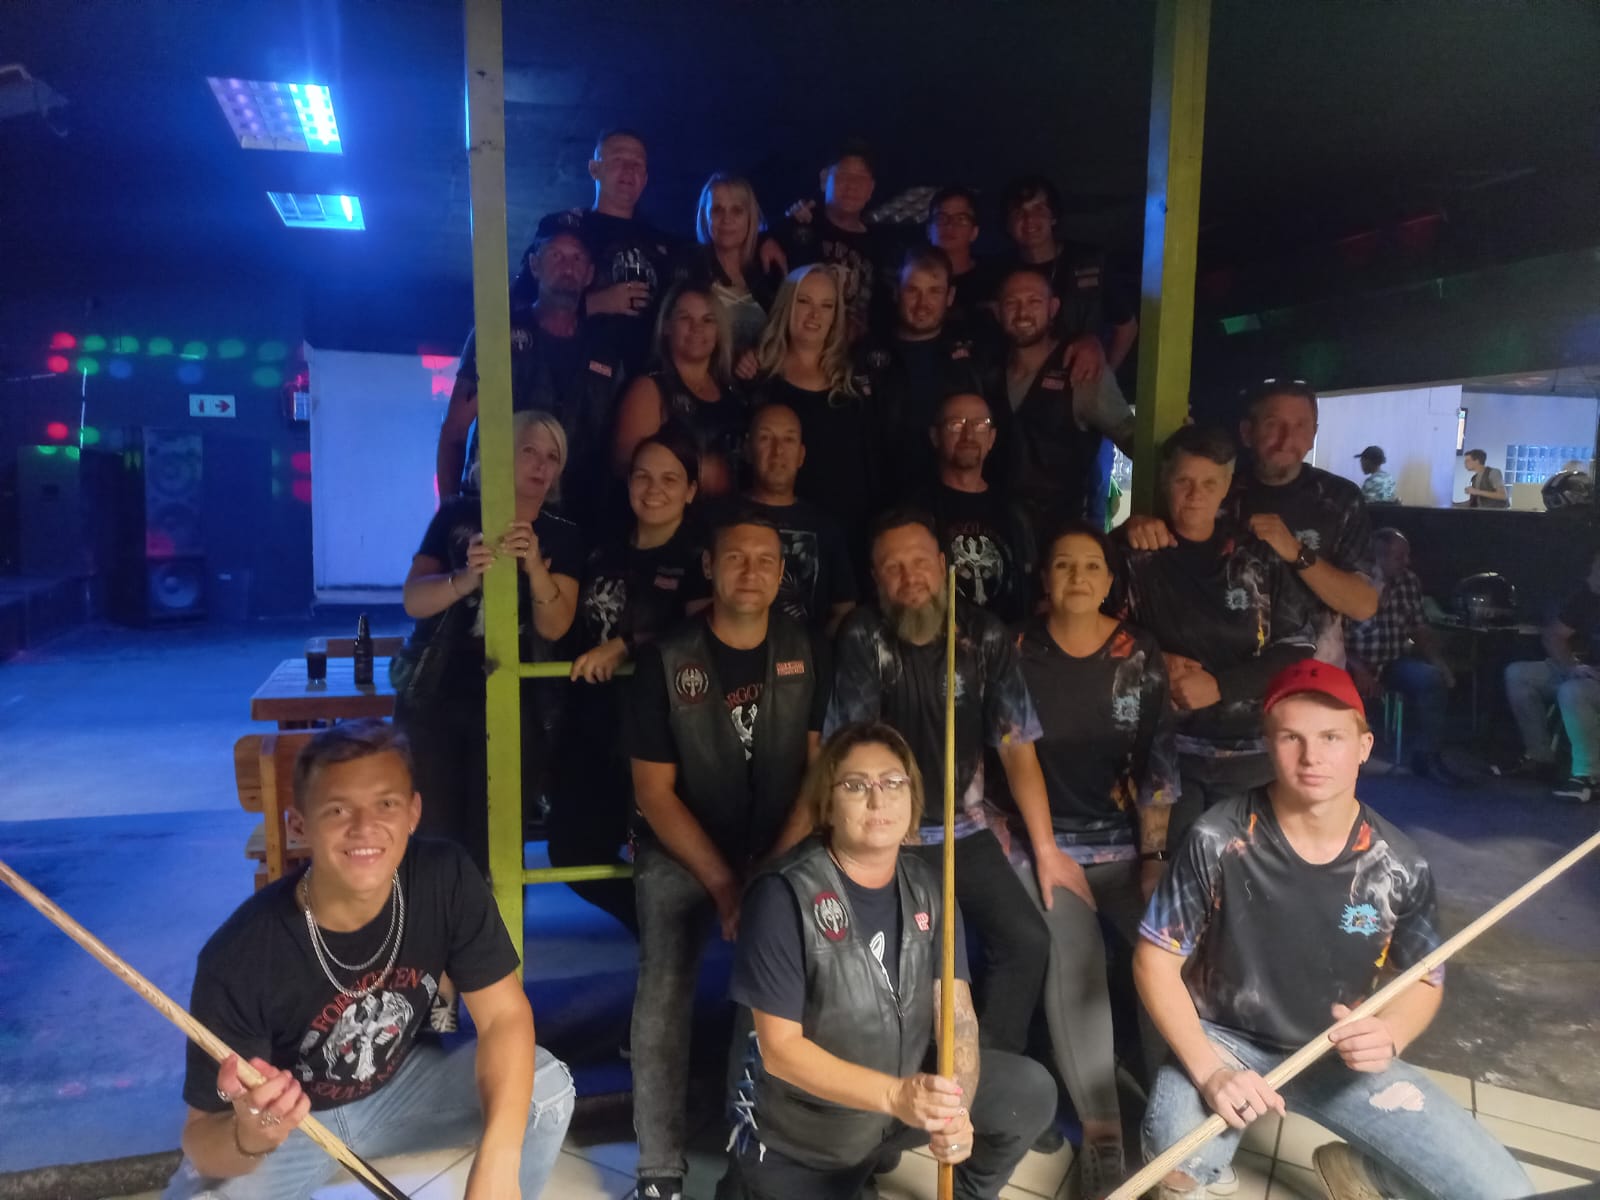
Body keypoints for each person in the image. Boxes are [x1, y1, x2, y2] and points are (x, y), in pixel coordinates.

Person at [1135, 661, 1532, 1200]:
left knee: (1503, 1190)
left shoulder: (1400, 865)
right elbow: (1154, 961)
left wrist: (1391, 1033)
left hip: (1334, 1052)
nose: (1312, 756)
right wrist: (1209, 1073)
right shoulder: (1216, 839)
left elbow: (1424, 977)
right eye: (1291, 738)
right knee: (1179, 1161)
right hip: (1223, 1038)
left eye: (1331, 737)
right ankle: (1207, 1163)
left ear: (1364, 746)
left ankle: (1365, 1176)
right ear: (1269, 744)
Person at [162, 722, 574, 1200]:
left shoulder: (445, 876)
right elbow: (200, 1137)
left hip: (403, 1091)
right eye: (338, 810)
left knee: (545, 1090)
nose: (364, 827)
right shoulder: (239, 954)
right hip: (295, 1124)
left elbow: (504, 1016)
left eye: (386, 804)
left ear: (413, 812)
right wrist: (249, 1136)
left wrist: (499, 1165)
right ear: (299, 825)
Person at [720, 722, 1057, 1200]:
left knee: (1030, 1091)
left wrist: (953, 1111)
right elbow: (781, 1051)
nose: (878, 799)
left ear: (912, 798)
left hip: (894, 1105)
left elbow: (958, 1019)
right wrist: (896, 1097)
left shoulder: (929, 886)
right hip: (805, 1141)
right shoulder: (782, 895)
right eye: (856, 785)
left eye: (893, 782)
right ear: (828, 804)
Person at [624, 513, 831, 1200]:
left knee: (771, 990)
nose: (751, 571)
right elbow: (653, 794)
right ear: (709, 568)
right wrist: (723, 884)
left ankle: (752, 1159)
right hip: (683, 851)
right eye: (735, 557)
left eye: (766, 560)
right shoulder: (666, 658)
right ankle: (659, 1168)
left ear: (782, 574)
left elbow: (817, 776)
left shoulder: (807, 649)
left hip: (779, 849)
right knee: (663, 991)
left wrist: (766, 877)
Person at [827, 510, 1052, 1057]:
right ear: (876, 579)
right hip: (889, 834)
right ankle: (905, 1082)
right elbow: (851, 751)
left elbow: (1017, 747)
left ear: (945, 565)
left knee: (1027, 940)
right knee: (916, 958)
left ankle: (989, 1074)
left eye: (921, 562)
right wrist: (875, 829)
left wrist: (1046, 850)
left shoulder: (984, 635)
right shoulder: (863, 635)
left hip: (964, 829)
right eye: (893, 567)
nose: (910, 578)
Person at [1010, 524, 1179, 1199]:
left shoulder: (1138, 651)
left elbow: (1159, 757)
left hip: (1128, 843)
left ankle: (1174, 1119)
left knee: (1165, 956)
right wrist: (1044, 852)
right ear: (1044, 578)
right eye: (1062, 565)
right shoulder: (1015, 652)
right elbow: (1009, 754)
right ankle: (1103, 1134)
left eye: (1091, 566)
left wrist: (1154, 856)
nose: (1077, 577)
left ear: (1110, 581)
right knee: (1075, 962)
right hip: (1044, 844)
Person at [397, 409, 582, 875]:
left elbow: (556, 627)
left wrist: (535, 566)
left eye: (552, 457)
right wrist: (463, 579)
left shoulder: (563, 532)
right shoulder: (456, 515)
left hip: (517, 700)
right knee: (433, 836)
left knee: (497, 844)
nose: (541, 465)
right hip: (436, 693)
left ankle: (491, 925)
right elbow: (414, 600)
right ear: (501, 455)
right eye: (529, 451)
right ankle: (439, 921)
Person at [1121, 426, 1316, 848]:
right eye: (1184, 481)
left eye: (1209, 483)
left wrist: (1220, 686)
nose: (1196, 495)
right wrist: (1153, 659)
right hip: (1164, 752)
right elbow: (1092, 636)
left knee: (1247, 869)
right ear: (1165, 482)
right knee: (1172, 869)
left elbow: (1297, 649)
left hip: (1251, 751)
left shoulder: (1257, 554)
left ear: (1227, 486)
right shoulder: (1135, 556)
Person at [555, 432, 713, 933]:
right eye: (643, 476)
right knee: (571, 851)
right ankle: (660, 931)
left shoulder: (701, 556)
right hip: (593, 723)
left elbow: (701, 630)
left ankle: (676, 939)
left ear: (691, 490)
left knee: (661, 849)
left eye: (670, 479)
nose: (654, 489)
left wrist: (623, 646)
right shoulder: (603, 548)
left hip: (665, 729)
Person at [1125, 379, 1379, 666]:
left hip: (1313, 671)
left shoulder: (1339, 499)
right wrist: (1135, 527)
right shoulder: (1219, 489)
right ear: (1247, 432)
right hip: (1228, 668)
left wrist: (1295, 551)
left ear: (1313, 435)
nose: (1286, 439)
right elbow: (1163, 544)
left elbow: (1363, 605)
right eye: (1273, 424)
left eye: (1300, 426)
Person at [438, 227, 627, 525]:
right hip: (494, 511)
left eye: (577, 258)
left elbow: (615, 450)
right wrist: (450, 516)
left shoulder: (606, 351)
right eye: (556, 255)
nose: (567, 266)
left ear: (589, 274)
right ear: (535, 265)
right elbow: (455, 431)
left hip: (575, 520)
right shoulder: (498, 334)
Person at [750, 264, 881, 578]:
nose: (815, 314)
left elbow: (870, 469)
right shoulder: (758, 378)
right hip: (775, 535)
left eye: (826, 305)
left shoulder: (854, 382)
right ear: (787, 304)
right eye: (804, 301)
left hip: (847, 536)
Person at [996, 266, 1136, 535]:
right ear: (998, 311)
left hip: (1062, 538)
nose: (1023, 313)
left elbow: (1131, 438)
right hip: (1000, 535)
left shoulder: (1081, 372)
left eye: (1034, 302)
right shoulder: (988, 370)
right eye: (1012, 303)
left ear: (1053, 308)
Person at [532, 128, 684, 370]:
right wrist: (596, 303)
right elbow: (524, 299)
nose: (629, 169)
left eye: (637, 164)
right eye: (618, 159)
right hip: (573, 372)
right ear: (594, 169)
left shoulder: (664, 244)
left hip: (645, 375)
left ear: (645, 179)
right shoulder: (564, 231)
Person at [859, 243, 995, 498]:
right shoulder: (864, 356)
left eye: (934, 291)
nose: (922, 303)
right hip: (882, 502)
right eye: (913, 290)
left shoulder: (977, 356)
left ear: (950, 296)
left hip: (954, 501)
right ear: (897, 292)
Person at [1344, 529, 1459, 783]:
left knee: (1432, 679)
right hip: (1352, 661)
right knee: (1340, 687)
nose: (1406, 561)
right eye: (1400, 557)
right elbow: (1335, 636)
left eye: (1406, 556)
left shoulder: (1409, 581)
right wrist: (1358, 668)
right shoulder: (1353, 582)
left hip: (1392, 661)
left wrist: (1438, 661)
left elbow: (1419, 628)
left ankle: (1427, 756)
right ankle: (1347, 760)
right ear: (1379, 557)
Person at [611, 283, 747, 498]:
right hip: (672, 513)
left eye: (708, 320)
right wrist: (697, 470)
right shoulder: (648, 389)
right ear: (666, 326)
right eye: (685, 318)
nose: (697, 328)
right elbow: (625, 467)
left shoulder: (732, 389)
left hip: (731, 512)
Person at [999, 174, 1138, 375]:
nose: (1029, 220)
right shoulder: (1000, 272)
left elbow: (1126, 327)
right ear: (1008, 224)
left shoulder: (1091, 263)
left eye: (1039, 209)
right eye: (1018, 212)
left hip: (1077, 382)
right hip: (1019, 383)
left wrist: (1105, 374)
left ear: (1053, 216)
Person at [914, 392, 1035, 623]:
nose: (968, 435)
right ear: (935, 436)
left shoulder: (1016, 513)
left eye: (980, 425)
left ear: (991, 438)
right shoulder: (914, 511)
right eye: (956, 424)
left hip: (1007, 639)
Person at [738, 401, 857, 633]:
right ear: (747, 450)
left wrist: (815, 650)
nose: (778, 451)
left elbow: (844, 610)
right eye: (765, 438)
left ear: (801, 455)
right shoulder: (720, 519)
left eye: (788, 439)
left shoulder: (825, 527)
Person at [770, 140, 897, 343]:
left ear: (871, 188)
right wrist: (769, 237)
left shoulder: (881, 248)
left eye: (860, 178)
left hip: (851, 353)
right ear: (824, 179)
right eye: (843, 175)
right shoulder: (799, 226)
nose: (852, 186)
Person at [1504, 546, 1600, 803]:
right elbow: (1553, 635)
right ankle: (1540, 758)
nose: (1593, 573)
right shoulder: (1587, 597)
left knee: (1573, 692)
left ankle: (1589, 777)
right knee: (1518, 674)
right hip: (1589, 672)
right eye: (1594, 566)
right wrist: (1571, 666)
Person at [692, 172, 783, 359]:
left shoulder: (770, 271)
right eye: (717, 210)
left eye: (737, 210)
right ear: (705, 216)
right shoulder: (691, 270)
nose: (726, 219)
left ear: (750, 217)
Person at [926, 184, 997, 337]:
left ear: (974, 232)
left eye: (960, 219)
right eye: (941, 218)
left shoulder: (993, 281)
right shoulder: (913, 280)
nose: (950, 225)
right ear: (929, 229)